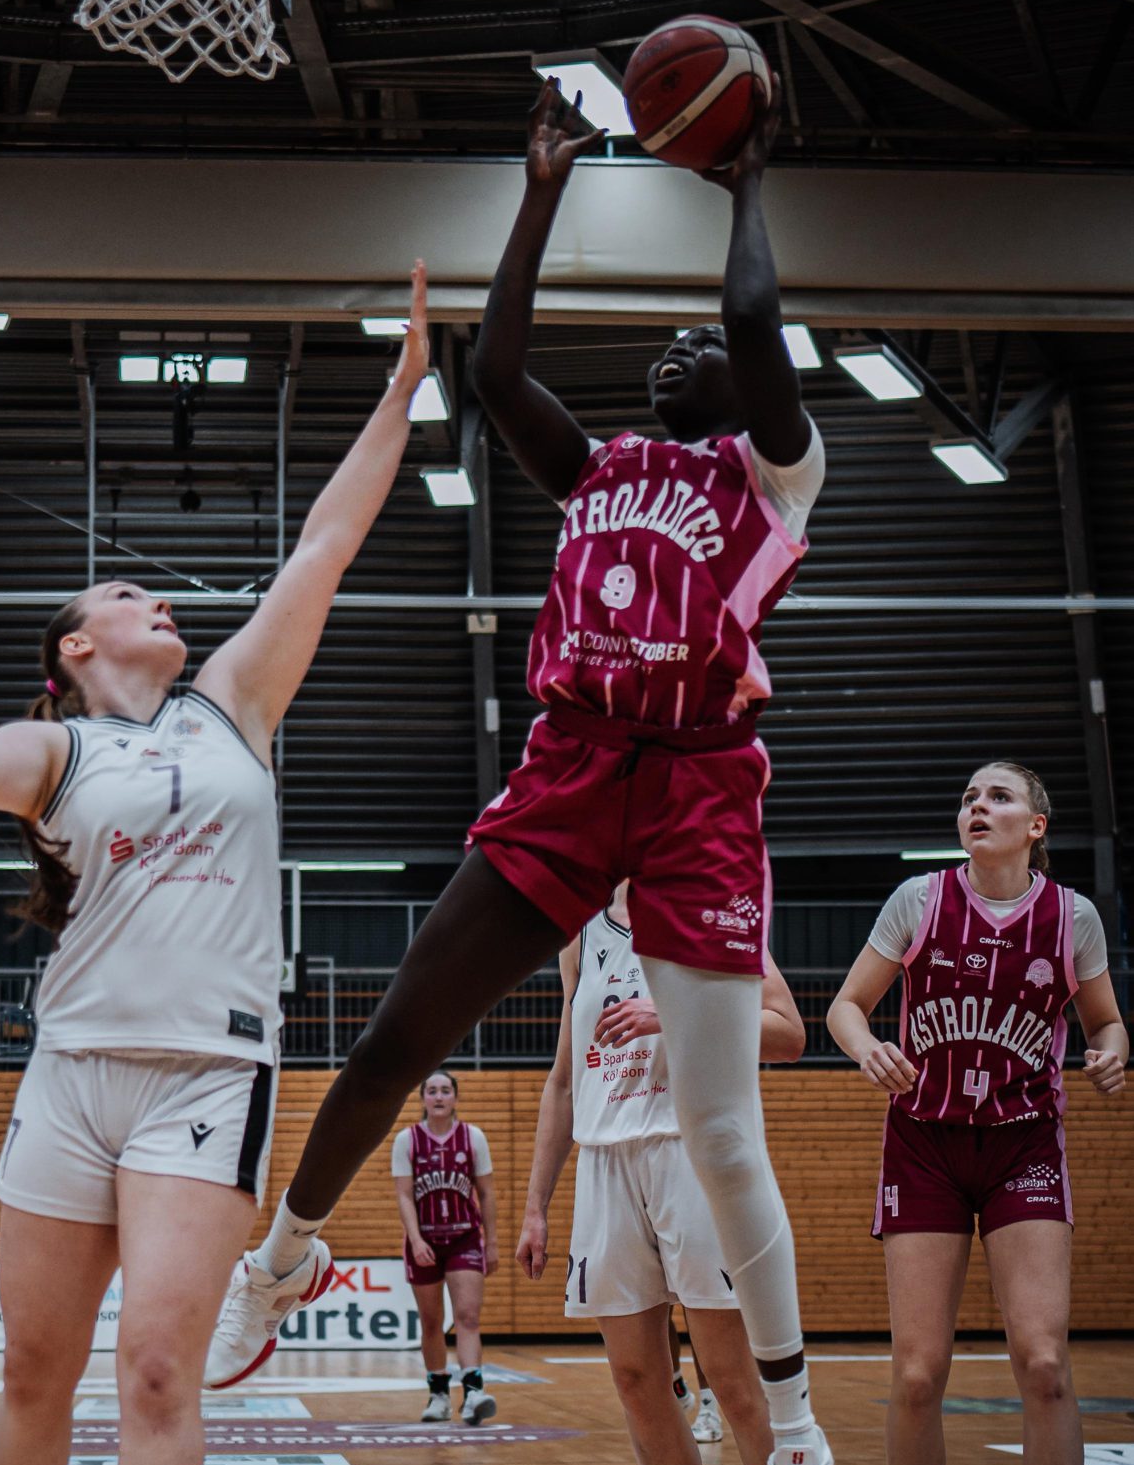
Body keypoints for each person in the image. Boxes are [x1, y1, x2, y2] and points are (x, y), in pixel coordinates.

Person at [209, 81, 834, 1465]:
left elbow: (743, 318)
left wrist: (742, 176)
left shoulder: (778, 475)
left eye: (696, 351)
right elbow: (492, 377)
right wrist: (538, 193)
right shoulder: (601, 462)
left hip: (692, 787)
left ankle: (788, 1423)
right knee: (394, 1036)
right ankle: (282, 1258)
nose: (677, 352)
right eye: (663, 348)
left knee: (723, 1132)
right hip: (569, 763)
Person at [0, 265, 432, 1465]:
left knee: (152, 1370)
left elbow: (325, 546)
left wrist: (401, 392)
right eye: (128, 591)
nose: (158, 596)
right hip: (72, 1073)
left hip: (206, 1075)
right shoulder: (60, 741)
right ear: (79, 643)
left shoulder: (228, 703)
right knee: (32, 1371)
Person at [827, 762, 1127, 1465]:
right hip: (923, 1144)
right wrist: (867, 1047)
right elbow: (845, 1005)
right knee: (916, 1373)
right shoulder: (917, 900)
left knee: (1045, 1363)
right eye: (967, 797)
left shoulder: (1070, 916)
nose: (976, 806)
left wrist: (1111, 1052)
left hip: (1021, 1148)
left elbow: (1106, 1022)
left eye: (997, 796)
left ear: (1034, 825)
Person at [518, 881, 806, 1465]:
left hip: (691, 1152)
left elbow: (788, 1032)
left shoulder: (711, 906)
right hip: (604, 1164)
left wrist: (672, 1015)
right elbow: (565, 1080)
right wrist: (535, 1207)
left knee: (729, 1378)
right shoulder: (579, 931)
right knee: (634, 1381)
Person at [393, 1069, 499, 1425]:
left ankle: (473, 1393)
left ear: (455, 1097)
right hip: (424, 1241)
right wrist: (416, 1239)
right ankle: (438, 1393)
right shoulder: (407, 1140)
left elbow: (486, 1192)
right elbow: (405, 1196)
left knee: (468, 1316)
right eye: (432, 1091)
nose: (438, 1097)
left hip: (464, 1238)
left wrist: (492, 1241)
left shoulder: (474, 1137)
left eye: (445, 1091)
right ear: (423, 1098)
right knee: (431, 1321)